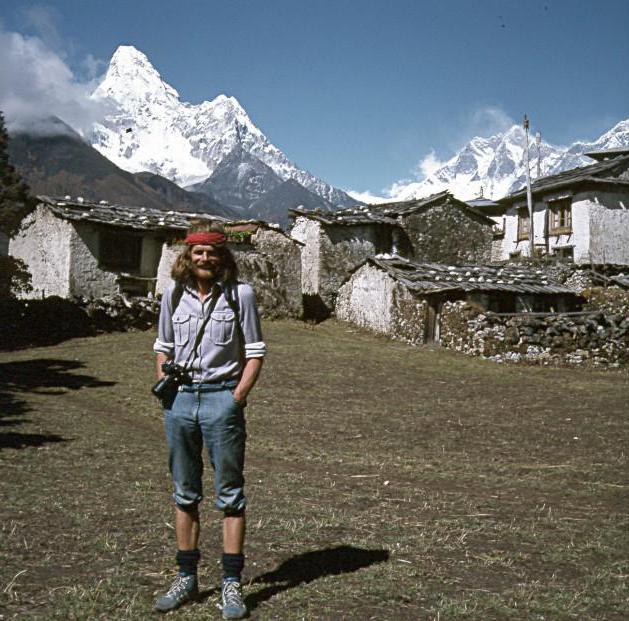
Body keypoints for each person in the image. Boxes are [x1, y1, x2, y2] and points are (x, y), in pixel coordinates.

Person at [153, 222, 265, 619]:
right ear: (188, 255)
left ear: (223, 257)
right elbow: (163, 346)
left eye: (212, 252)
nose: (205, 259)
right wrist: (166, 388)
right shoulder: (172, 295)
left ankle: (231, 583)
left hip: (222, 401)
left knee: (230, 494)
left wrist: (236, 399)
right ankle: (187, 577)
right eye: (198, 252)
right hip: (181, 402)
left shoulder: (241, 295)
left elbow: (255, 352)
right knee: (185, 492)